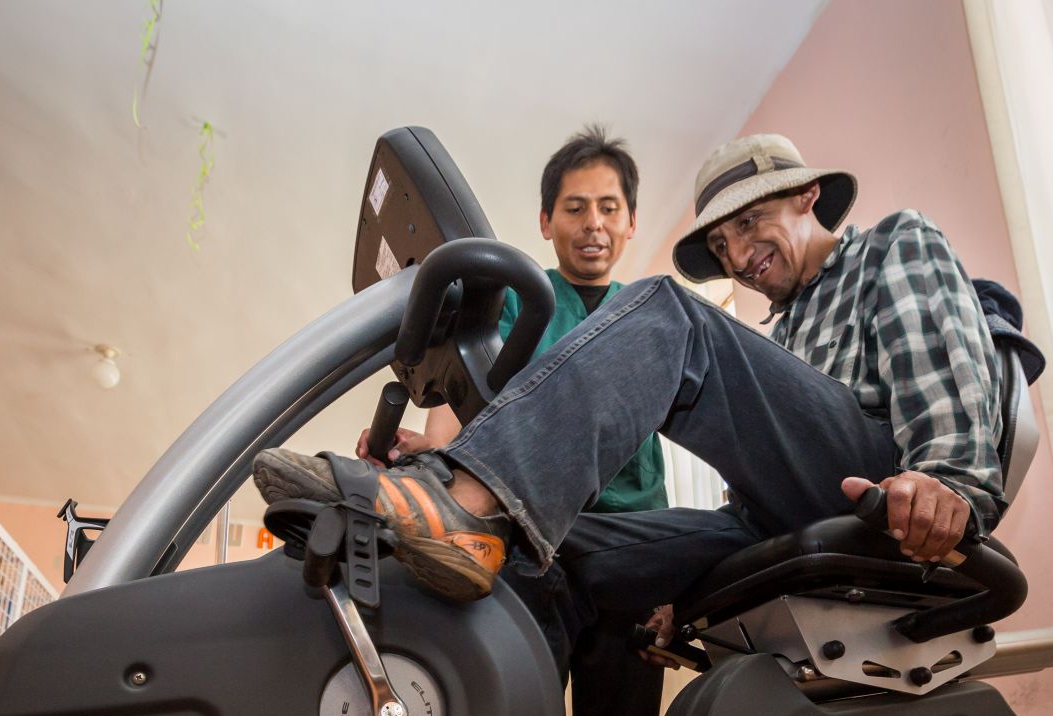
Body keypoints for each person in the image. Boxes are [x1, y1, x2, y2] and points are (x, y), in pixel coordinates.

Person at [254, 131, 1004, 631]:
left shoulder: (892, 245)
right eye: (722, 241)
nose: (739, 257)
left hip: (876, 492)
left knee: (671, 314)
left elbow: (950, 382)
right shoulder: (792, 326)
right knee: (536, 554)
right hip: (773, 514)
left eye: (749, 226)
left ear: (808, 196)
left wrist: (953, 485)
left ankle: (461, 502)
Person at [359, 126, 666, 716]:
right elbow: (502, 419)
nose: (595, 223)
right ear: (547, 219)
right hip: (539, 556)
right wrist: (424, 448)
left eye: (610, 208)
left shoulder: (650, 315)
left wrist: (683, 566)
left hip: (637, 560)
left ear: (631, 222)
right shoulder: (530, 308)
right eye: (577, 207)